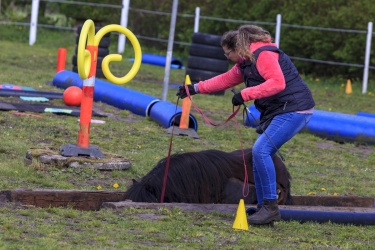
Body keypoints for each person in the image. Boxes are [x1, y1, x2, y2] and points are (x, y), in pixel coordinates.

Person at [177, 25, 315, 225]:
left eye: (227, 54)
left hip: (295, 109)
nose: (226, 58)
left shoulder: (263, 55)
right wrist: (194, 88)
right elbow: (224, 80)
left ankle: (270, 208)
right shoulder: (245, 63)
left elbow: (278, 83)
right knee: (258, 154)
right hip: (282, 110)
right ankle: (263, 206)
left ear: (236, 48)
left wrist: (245, 94)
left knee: (260, 151)